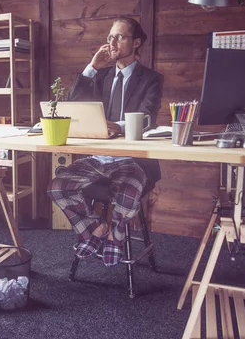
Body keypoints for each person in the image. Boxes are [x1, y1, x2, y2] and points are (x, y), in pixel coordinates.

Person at [47, 16, 163, 266]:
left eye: (119, 36)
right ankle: (98, 229)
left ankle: (116, 237)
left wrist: (118, 126)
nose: (112, 42)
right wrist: (92, 67)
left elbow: (148, 117)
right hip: (98, 157)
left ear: (137, 42)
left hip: (132, 160)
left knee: (130, 191)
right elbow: (72, 101)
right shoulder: (100, 75)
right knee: (58, 187)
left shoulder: (152, 79)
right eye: (110, 36)